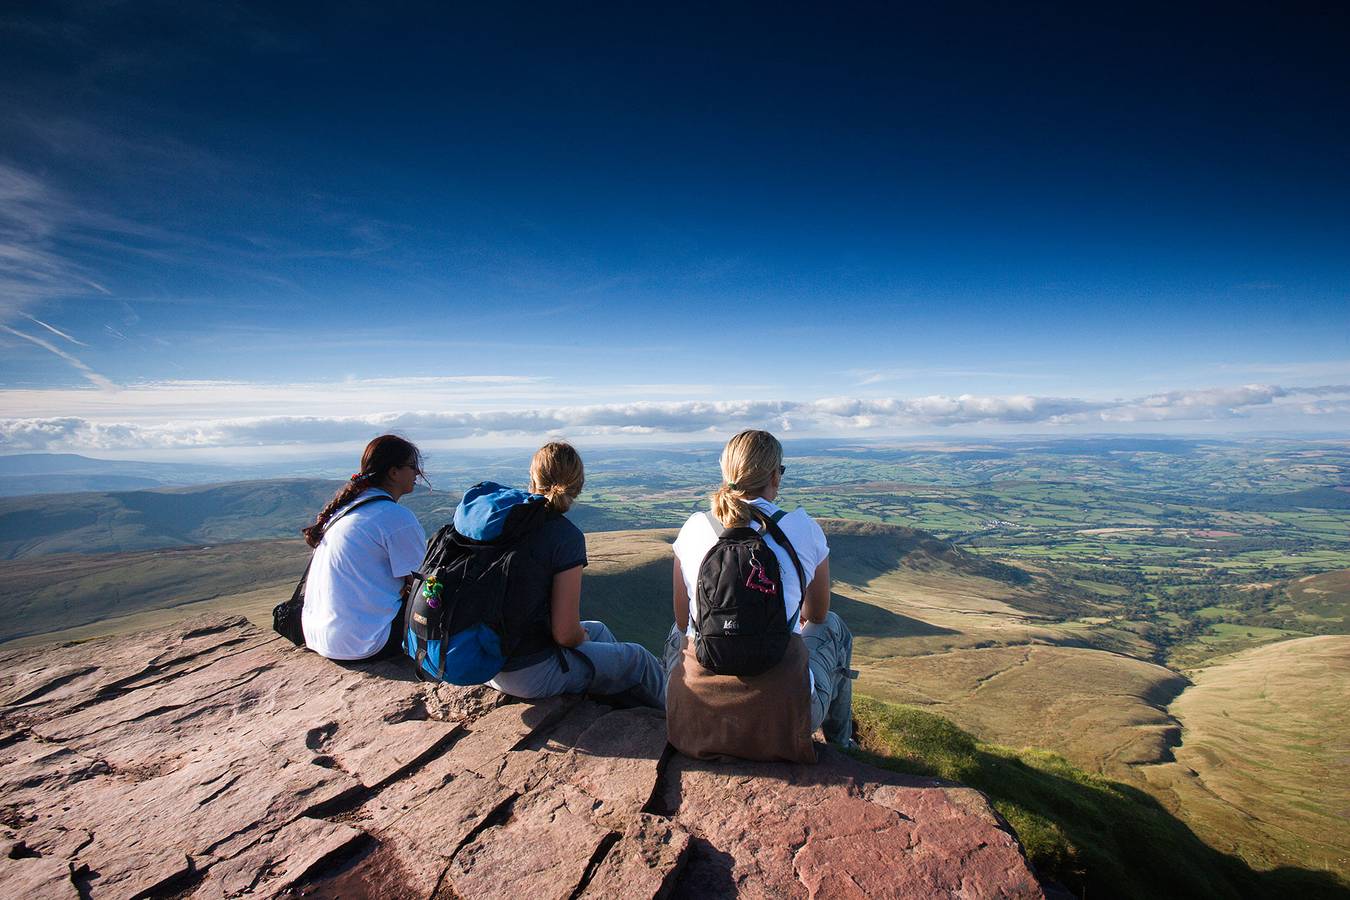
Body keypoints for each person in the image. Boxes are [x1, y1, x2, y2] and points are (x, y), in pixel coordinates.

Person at [666, 429, 855, 750]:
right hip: (788, 714)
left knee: (676, 630)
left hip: (703, 711)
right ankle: (842, 745)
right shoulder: (803, 529)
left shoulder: (695, 527)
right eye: (780, 471)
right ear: (773, 476)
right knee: (833, 626)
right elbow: (817, 614)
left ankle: (673, 697)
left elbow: (684, 621)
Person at [486, 441, 667, 708]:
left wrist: (582, 635)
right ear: (577, 484)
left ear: (533, 478)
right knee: (638, 659)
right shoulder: (564, 536)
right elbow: (565, 635)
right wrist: (579, 636)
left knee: (599, 630)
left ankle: (615, 707)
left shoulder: (507, 521)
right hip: (526, 672)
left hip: (488, 659)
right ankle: (684, 729)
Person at [301, 434, 428, 661]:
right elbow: (426, 585)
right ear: (393, 472)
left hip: (319, 637)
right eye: (413, 466)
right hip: (366, 642)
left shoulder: (345, 510)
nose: (417, 473)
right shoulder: (394, 517)